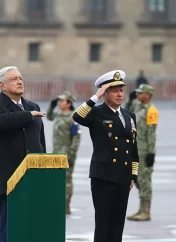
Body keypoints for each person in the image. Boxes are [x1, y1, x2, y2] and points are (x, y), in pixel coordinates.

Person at [73, 70, 139, 242]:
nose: (119, 94)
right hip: (104, 177)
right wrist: (95, 97)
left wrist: (133, 175)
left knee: (118, 225)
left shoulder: (129, 115)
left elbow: (133, 148)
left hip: (123, 177)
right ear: (105, 94)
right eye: (114, 90)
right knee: (103, 225)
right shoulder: (96, 112)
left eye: (121, 90)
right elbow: (77, 116)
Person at [0, 66, 46, 242]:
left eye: (21, 78)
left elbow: (40, 143)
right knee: (8, 229)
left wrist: (45, 172)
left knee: (32, 229)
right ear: (2, 86)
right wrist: (28, 115)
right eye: (14, 79)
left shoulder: (33, 106)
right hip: (10, 179)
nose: (19, 82)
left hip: (33, 179)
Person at [126, 84, 158, 222]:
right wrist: (129, 99)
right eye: (137, 93)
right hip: (135, 149)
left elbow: (151, 133)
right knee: (138, 180)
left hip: (145, 152)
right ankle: (140, 209)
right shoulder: (137, 107)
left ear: (148, 95)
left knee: (145, 181)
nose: (138, 95)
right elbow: (125, 113)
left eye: (140, 93)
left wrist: (151, 152)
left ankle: (146, 211)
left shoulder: (151, 110)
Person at [47, 91, 81, 215]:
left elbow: (76, 138)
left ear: (69, 103)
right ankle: (57, 203)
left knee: (66, 180)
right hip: (56, 153)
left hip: (66, 154)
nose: (60, 103)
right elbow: (49, 117)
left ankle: (66, 206)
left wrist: (72, 154)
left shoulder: (73, 118)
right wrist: (51, 106)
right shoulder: (59, 115)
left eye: (62, 101)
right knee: (55, 180)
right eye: (59, 101)